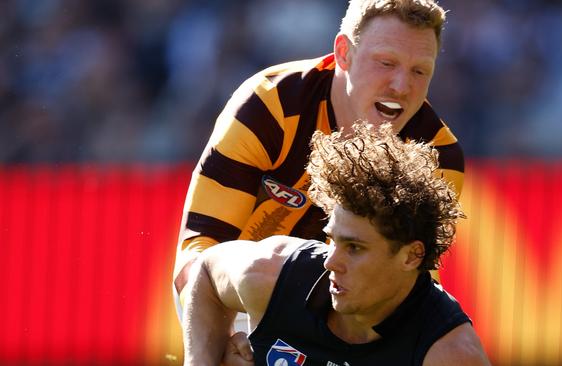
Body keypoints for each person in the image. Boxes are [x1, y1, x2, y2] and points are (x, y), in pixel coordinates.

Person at [173, 0, 465, 319]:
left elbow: (408, 290)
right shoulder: (271, 107)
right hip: (238, 303)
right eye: (385, 62)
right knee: (265, 268)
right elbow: (197, 257)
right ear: (344, 53)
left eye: (419, 71)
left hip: (348, 316)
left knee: (451, 333)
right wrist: (219, 344)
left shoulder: (436, 156)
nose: (401, 86)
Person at [182, 123, 489, 365]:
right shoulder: (271, 277)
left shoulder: (449, 355)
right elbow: (207, 270)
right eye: (333, 240)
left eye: (354, 247)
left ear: (412, 256)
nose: (330, 261)